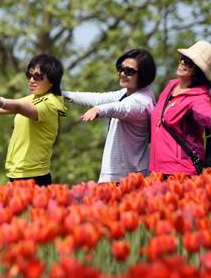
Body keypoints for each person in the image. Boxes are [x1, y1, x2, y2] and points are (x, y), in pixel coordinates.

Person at [149, 41, 211, 176]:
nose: (182, 63)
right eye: (182, 58)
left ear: (198, 70)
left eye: (188, 62)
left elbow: (204, 112)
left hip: (180, 172)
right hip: (156, 170)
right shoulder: (171, 87)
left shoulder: (198, 97)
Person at [62, 49, 156, 182]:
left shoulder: (141, 101)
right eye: (120, 68)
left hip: (126, 178)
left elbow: (120, 108)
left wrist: (98, 110)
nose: (122, 74)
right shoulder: (127, 92)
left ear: (144, 74)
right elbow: (98, 98)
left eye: (129, 71)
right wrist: (62, 93)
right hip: (121, 174)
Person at [0, 54, 67, 186]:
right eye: (29, 75)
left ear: (52, 81)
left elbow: (18, 106)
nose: (31, 80)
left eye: (38, 77)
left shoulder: (51, 103)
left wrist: (2, 101)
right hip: (17, 174)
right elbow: (2, 107)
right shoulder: (33, 97)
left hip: (35, 176)